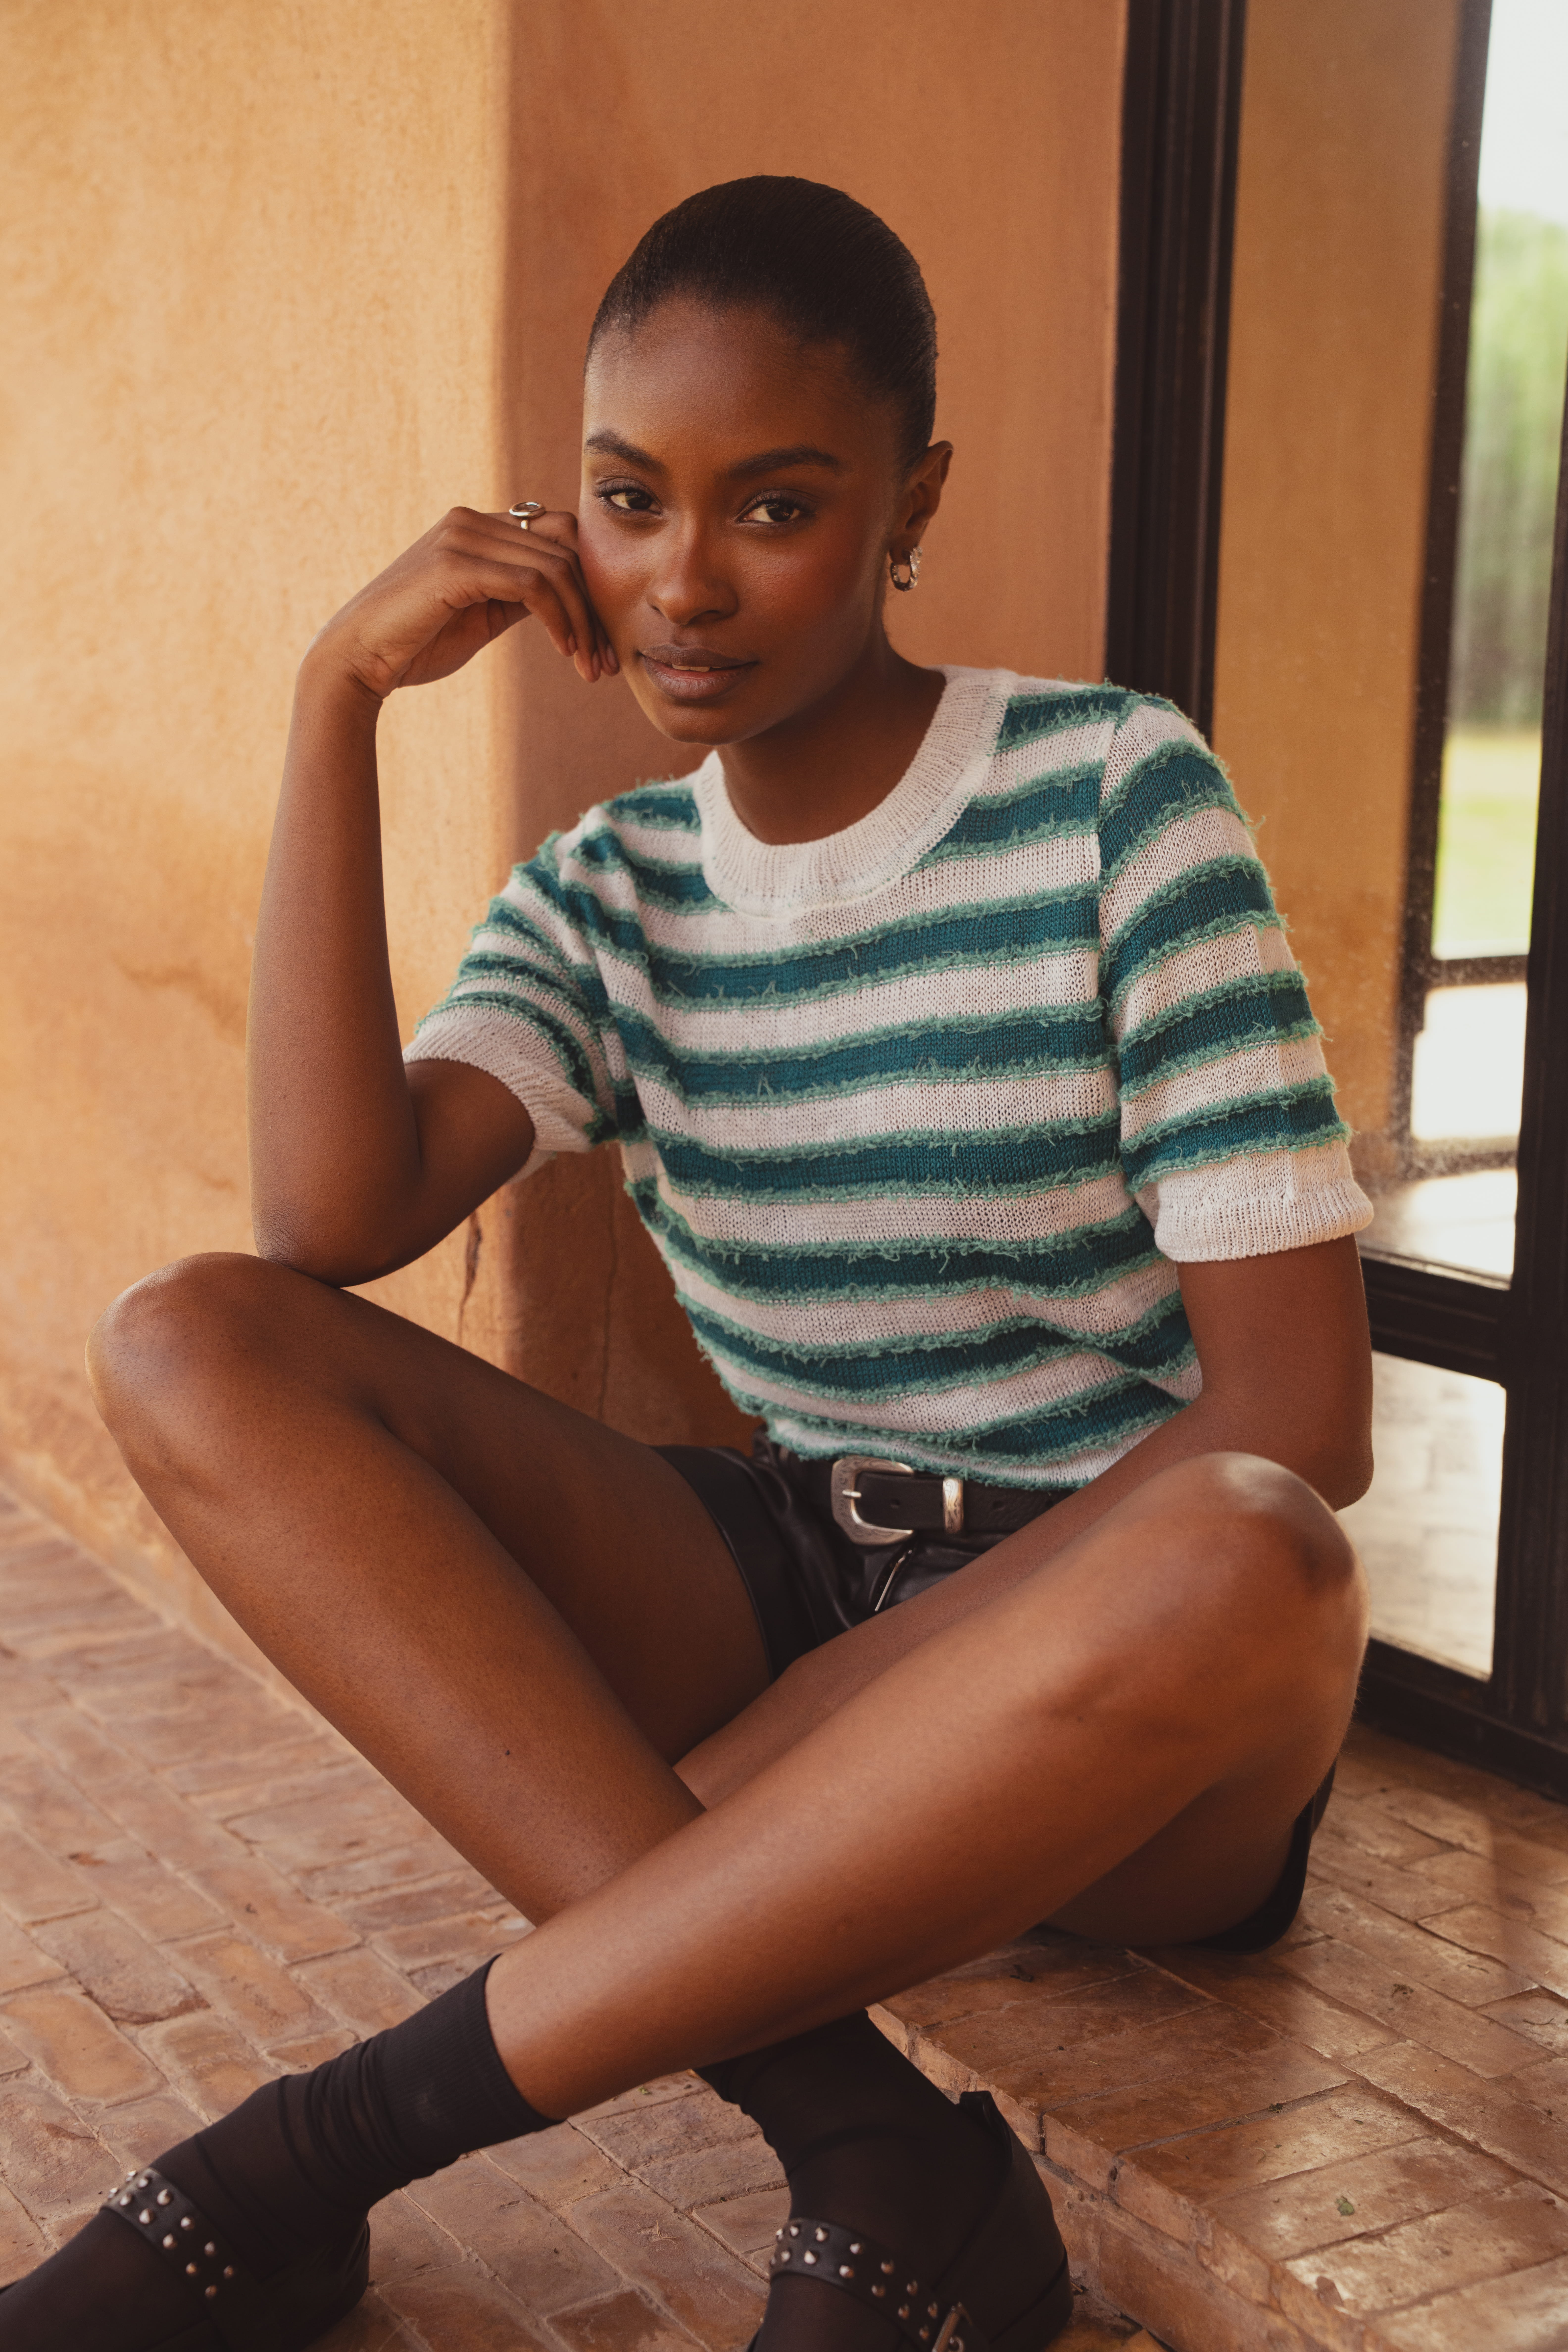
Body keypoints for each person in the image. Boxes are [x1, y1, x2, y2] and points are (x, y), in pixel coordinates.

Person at [1, 178, 1373, 2352]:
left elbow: (1301, 1412)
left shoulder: (1117, 796)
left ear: (912, 504)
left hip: (1126, 1654)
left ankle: (300, 2159)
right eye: (633, 500)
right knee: (187, 1341)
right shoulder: (612, 889)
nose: (684, 582)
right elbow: (329, 1224)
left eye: (779, 508)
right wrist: (335, 698)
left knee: (1257, 1542)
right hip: (788, 1563)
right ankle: (879, 2150)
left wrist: (867, 1692)